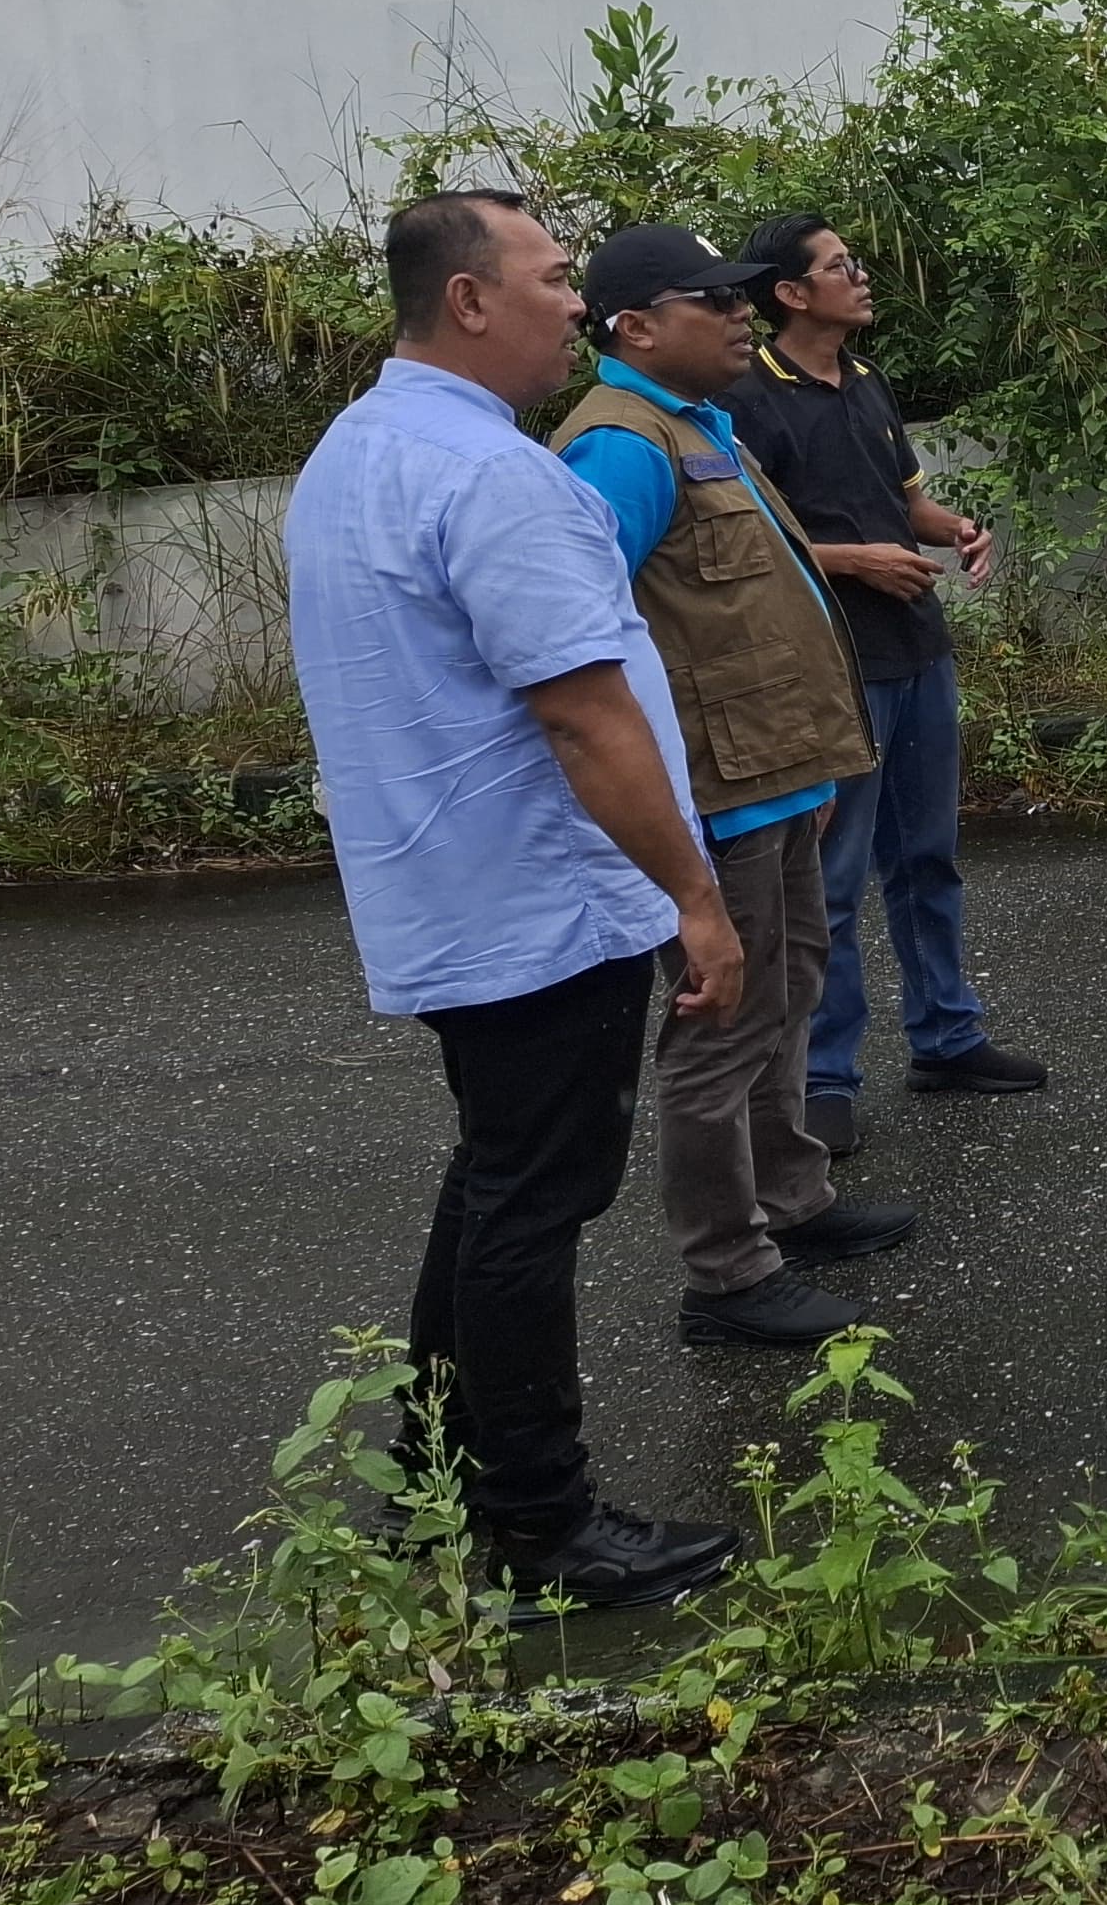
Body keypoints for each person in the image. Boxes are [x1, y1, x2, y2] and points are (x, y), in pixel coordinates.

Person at [281, 190, 741, 1608]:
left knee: (494, 1186)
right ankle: (544, 1524)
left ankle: (429, 1482)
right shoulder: (495, 479)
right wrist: (694, 899)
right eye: (552, 280)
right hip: (541, 907)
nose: (577, 307)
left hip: (452, 895)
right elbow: (587, 718)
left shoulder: (359, 453)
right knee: (532, 1209)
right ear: (470, 301)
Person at [555, 221, 918, 1347]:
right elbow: (580, 636)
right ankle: (725, 1269)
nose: (739, 314)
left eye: (737, 298)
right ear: (637, 327)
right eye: (710, 301)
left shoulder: (696, 423)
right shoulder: (619, 445)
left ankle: (791, 1197)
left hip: (782, 769)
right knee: (724, 1026)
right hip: (717, 790)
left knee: (789, 990)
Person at [726, 214, 1045, 1149]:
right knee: (830, 880)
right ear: (790, 293)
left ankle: (948, 1036)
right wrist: (857, 562)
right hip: (832, 666)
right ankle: (825, 1078)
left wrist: (953, 528)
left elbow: (904, 500)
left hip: (917, 649)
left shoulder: (868, 383)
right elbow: (753, 544)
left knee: (928, 858)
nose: (861, 277)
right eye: (839, 267)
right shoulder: (749, 398)